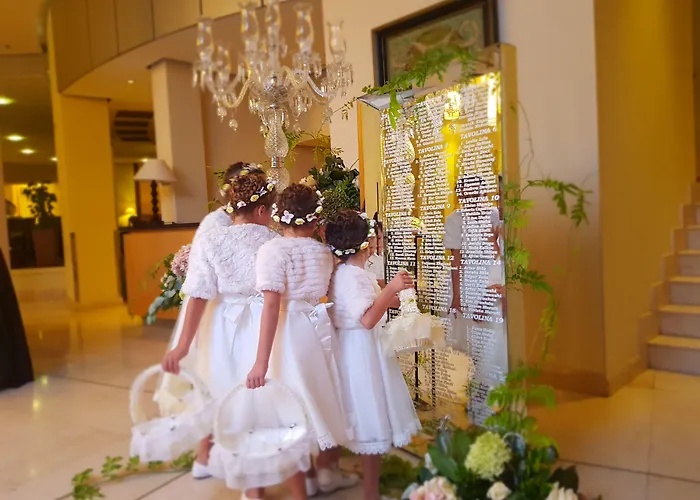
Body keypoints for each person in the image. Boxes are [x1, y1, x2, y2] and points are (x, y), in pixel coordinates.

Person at [161, 166, 277, 500]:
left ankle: (236, 473)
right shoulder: (273, 240)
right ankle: (256, 484)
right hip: (265, 324)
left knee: (227, 396)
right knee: (260, 401)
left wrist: (183, 345)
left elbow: (198, 294)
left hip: (223, 327)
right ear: (262, 209)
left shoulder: (210, 239)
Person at [246, 184, 355, 499]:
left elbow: (271, 306)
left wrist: (261, 361)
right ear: (315, 219)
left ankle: (301, 486)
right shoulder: (323, 253)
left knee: (290, 408)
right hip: (316, 330)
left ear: (279, 217)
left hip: (287, 333)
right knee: (317, 396)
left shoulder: (273, 251)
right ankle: (318, 474)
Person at [325, 210, 421, 500]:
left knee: (364, 411)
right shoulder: (352, 277)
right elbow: (367, 319)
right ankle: (370, 492)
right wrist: (390, 288)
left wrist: (396, 296)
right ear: (365, 243)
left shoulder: (347, 273)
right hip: (361, 351)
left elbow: (372, 305)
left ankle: (355, 482)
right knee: (370, 414)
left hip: (356, 346)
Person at [365, 214, 385, 287]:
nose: (370, 242)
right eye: (367, 239)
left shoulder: (381, 259)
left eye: (378, 238)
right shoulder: (358, 260)